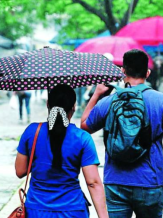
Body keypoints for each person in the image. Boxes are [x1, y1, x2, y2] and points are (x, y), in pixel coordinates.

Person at [81, 49, 163, 218]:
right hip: (150, 181)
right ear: (148, 72)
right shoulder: (162, 100)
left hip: (115, 181)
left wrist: (97, 93)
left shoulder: (110, 101)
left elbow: (85, 125)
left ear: (123, 71)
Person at [15, 84, 108, 218]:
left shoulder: (32, 132)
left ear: (48, 104)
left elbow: (20, 171)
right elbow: (92, 182)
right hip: (73, 210)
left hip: (36, 209)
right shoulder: (82, 138)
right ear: (73, 108)